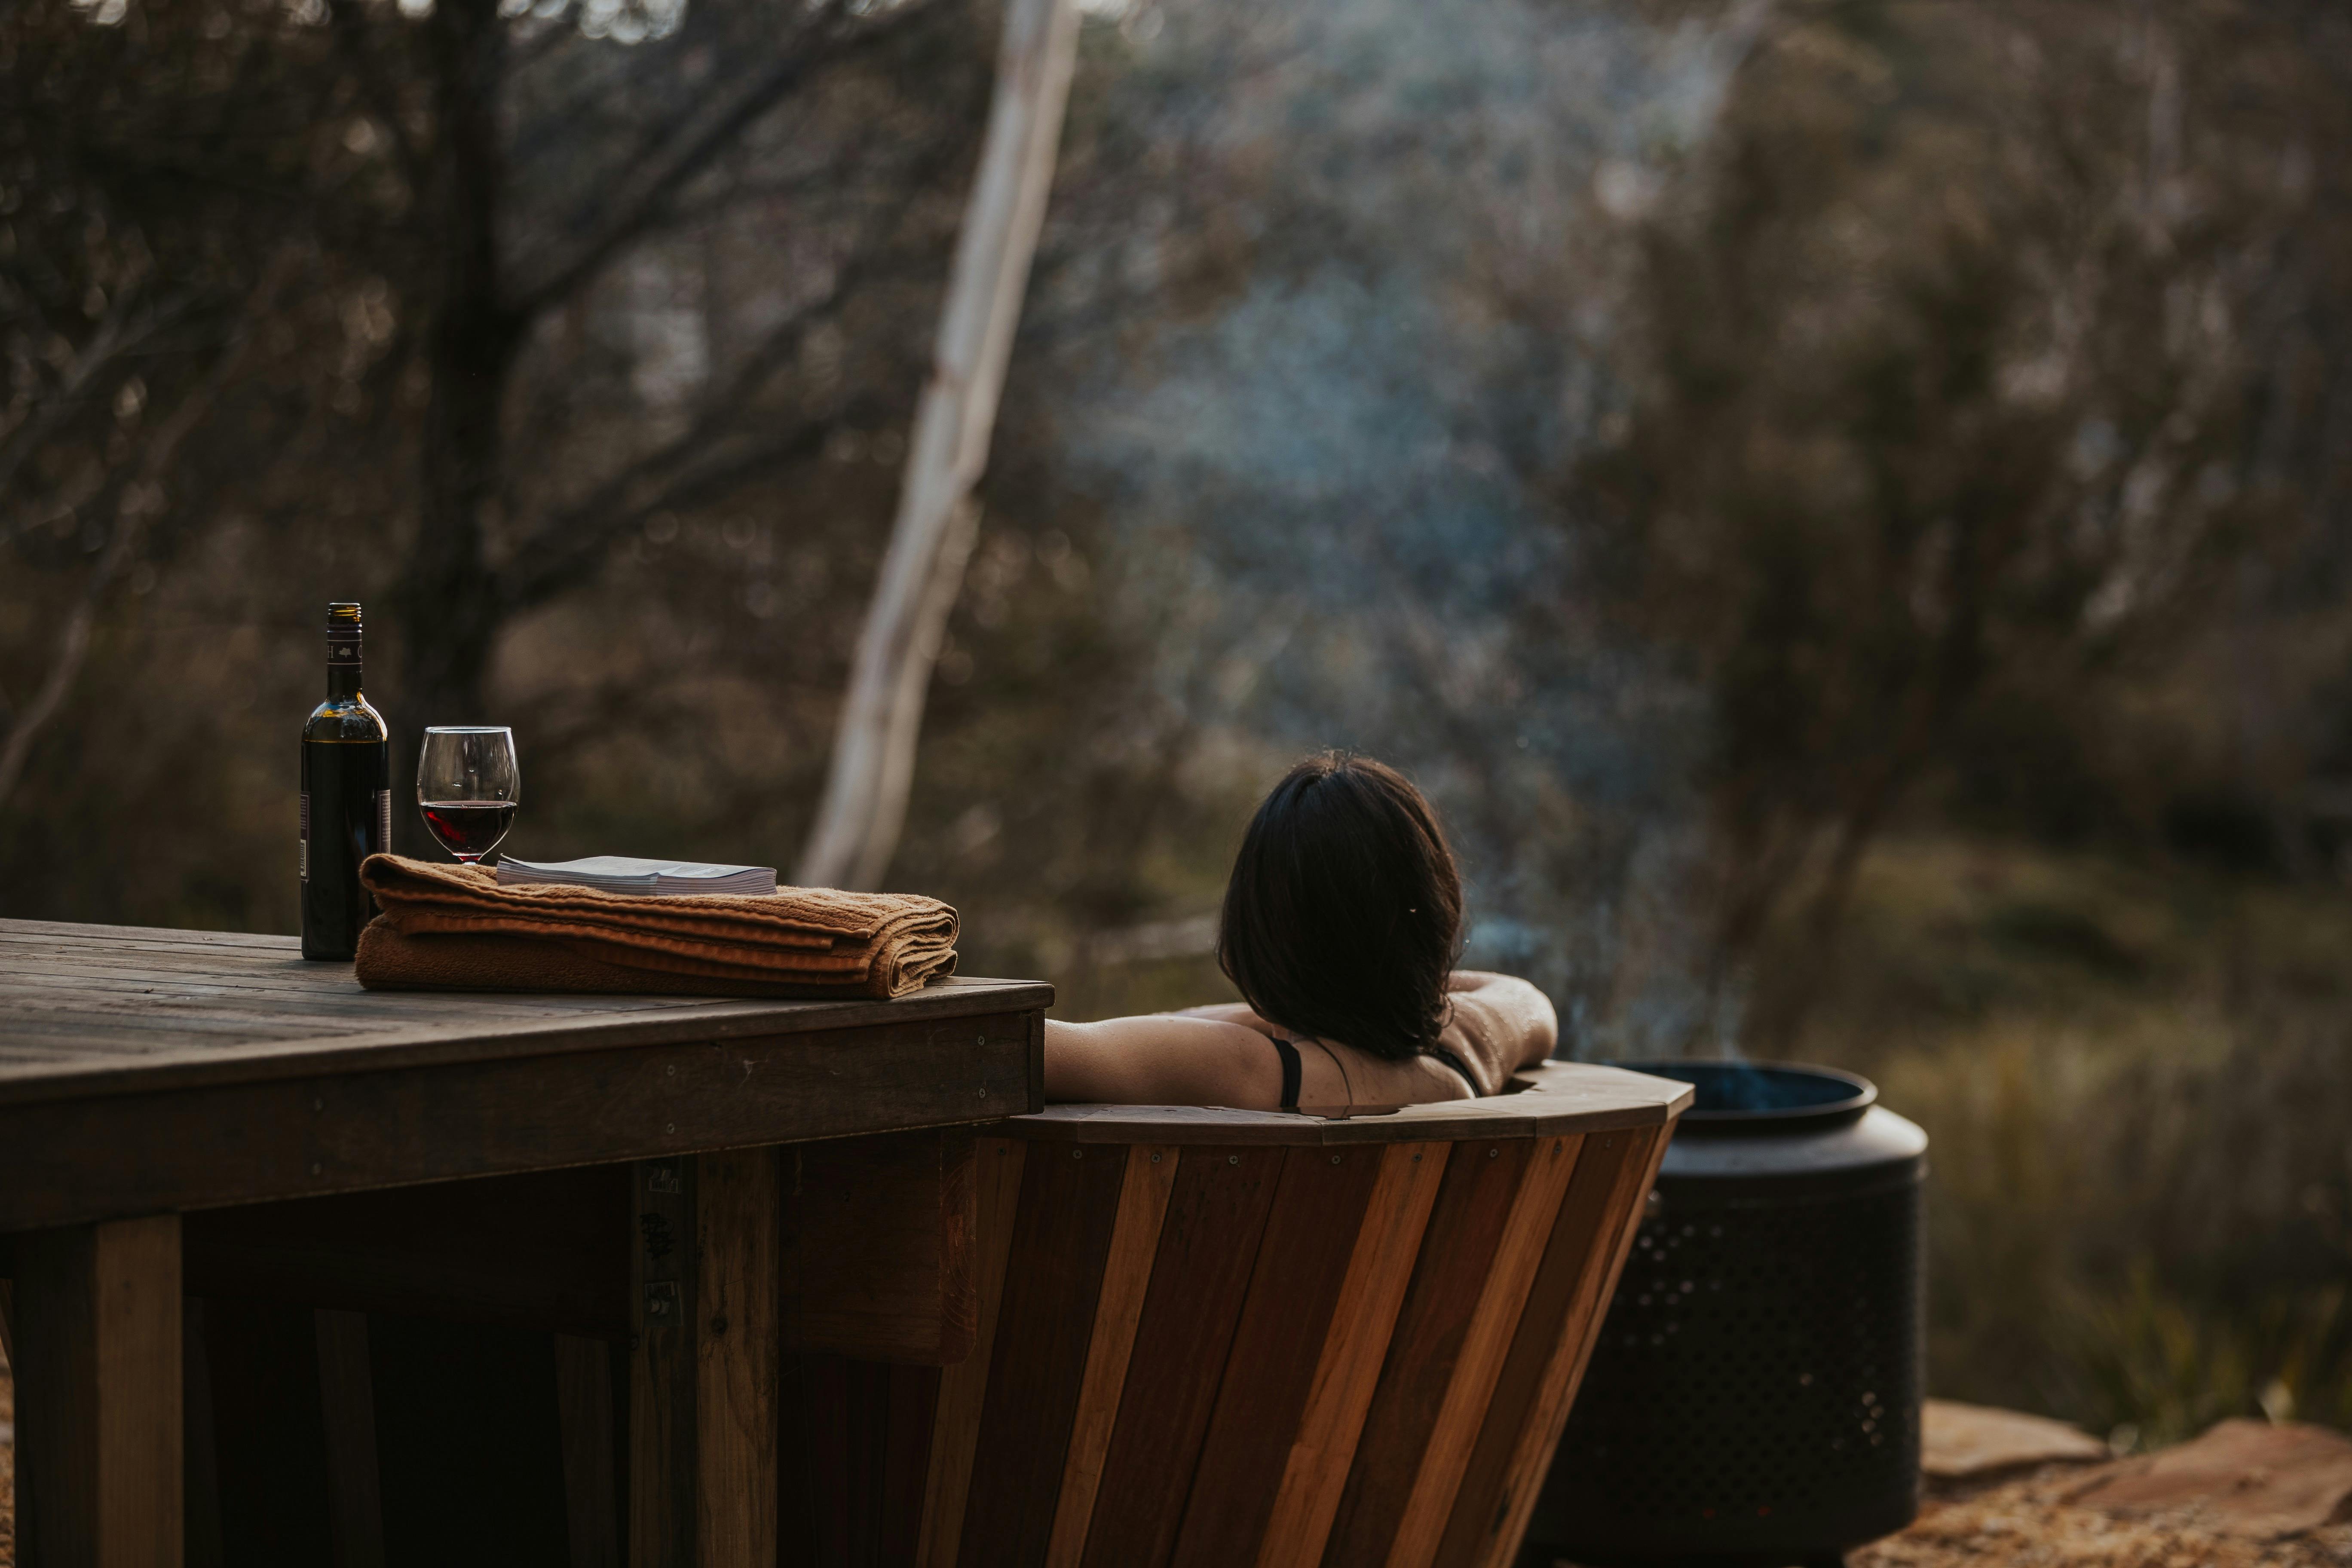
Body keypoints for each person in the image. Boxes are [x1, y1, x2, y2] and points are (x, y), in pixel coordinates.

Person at [1043, 753, 1558, 1111]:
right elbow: (1527, 1001)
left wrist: (1255, 1016)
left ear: (1261, 933)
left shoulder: (1255, 1072)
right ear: (1434, 909)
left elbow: (1020, 1051)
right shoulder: (1469, 1053)